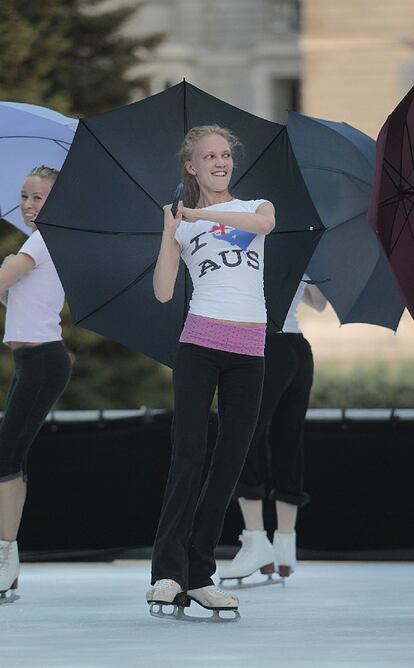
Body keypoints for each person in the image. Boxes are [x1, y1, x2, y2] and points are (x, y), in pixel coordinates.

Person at [146, 125, 275, 619]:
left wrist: (197, 214)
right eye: (209, 156)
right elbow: (162, 291)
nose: (220, 162)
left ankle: (200, 574)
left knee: (229, 463)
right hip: (200, 344)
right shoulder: (182, 224)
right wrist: (170, 231)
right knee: (189, 456)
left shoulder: (255, 207)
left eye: (225, 155)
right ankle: (167, 574)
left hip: (250, 348)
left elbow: (264, 228)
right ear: (191, 166)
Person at [218, 280, 326, 584]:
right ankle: (284, 546)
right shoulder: (298, 238)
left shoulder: (254, 238)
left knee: (243, 435)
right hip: (298, 348)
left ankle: (255, 541)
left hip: (263, 344)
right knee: (288, 441)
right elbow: (319, 303)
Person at [0, 166, 72, 603]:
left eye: (38, 198)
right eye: (25, 197)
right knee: (11, 456)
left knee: (6, 455)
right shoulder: (40, 242)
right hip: (33, 360)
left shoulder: (43, 240)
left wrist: (8, 265)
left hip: (43, 361)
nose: (28, 205)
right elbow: (12, 295)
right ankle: (8, 558)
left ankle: (6, 557)